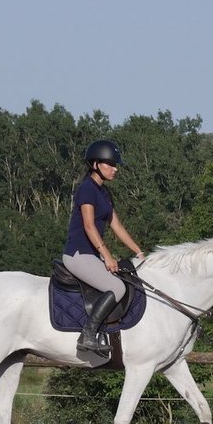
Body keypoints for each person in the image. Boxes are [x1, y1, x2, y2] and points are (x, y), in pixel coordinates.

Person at [62, 139, 145, 353]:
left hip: (91, 255)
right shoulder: (86, 189)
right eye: (110, 164)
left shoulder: (104, 193)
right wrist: (107, 255)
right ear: (95, 164)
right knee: (117, 287)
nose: (115, 169)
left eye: (116, 165)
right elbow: (89, 226)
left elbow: (116, 226)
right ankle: (87, 335)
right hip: (78, 254)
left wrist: (138, 251)